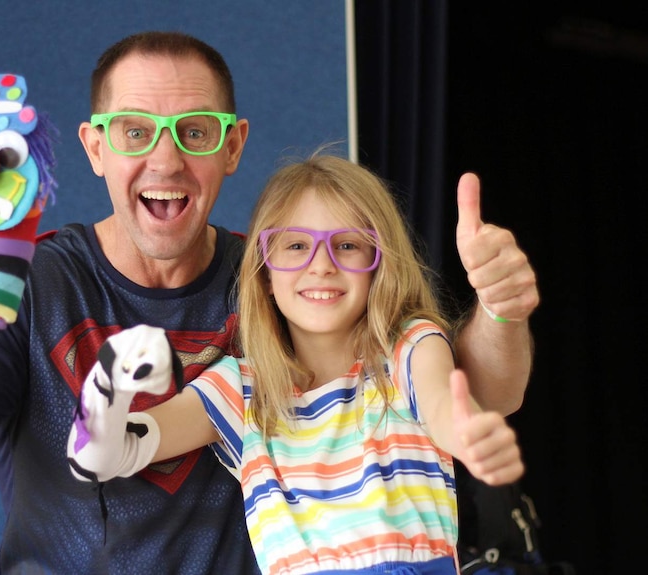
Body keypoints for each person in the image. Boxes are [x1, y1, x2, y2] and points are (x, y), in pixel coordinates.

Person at [0, 31, 538, 574]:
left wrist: (500, 309)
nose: (165, 158)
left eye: (195, 131)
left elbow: (473, 393)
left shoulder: (283, 283)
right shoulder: (32, 281)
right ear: (95, 147)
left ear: (233, 145)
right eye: (135, 131)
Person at [67, 152, 525, 574]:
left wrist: (466, 436)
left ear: (378, 262)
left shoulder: (408, 346)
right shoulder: (243, 390)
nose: (321, 264)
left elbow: (442, 408)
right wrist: (107, 387)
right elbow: (104, 455)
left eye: (347, 244)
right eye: (294, 247)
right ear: (264, 273)